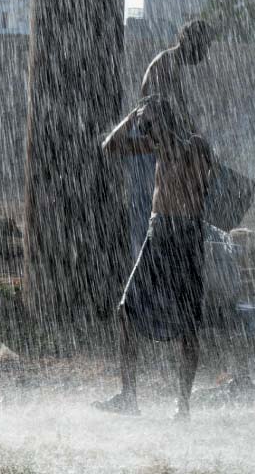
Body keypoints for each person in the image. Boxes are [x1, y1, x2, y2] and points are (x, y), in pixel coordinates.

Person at [95, 96, 214, 419]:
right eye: (145, 124)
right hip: (157, 232)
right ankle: (129, 396)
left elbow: (199, 179)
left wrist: (159, 128)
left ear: (165, 119)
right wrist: (133, 115)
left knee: (188, 325)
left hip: (184, 235)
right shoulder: (155, 144)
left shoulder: (195, 144)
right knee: (126, 311)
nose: (147, 129)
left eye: (150, 122)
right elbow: (110, 147)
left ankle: (183, 404)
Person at [127, 21, 214, 262]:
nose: (204, 55)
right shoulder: (165, 65)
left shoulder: (172, 66)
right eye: (204, 47)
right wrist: (190, 142)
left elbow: (180, 115)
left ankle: (155, 274)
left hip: (158, 140)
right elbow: (158, 116)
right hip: (148, 140)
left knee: (160, 210)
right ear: (189, 41)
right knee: (149, 210)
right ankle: (142, 278)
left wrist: (198, 142)